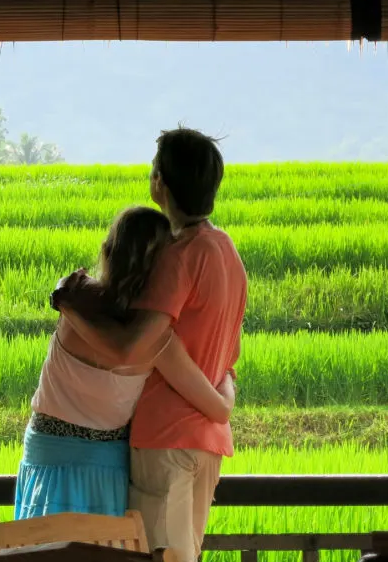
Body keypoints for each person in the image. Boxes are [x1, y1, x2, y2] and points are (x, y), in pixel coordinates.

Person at [54, 127, 247, 562]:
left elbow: (132, 346)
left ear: (159, 182)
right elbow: (228, 363)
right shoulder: (228, 253)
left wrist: (67, 303)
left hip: (165, 438)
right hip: (207, 443)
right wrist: (220, 407)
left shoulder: (177, 258)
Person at [15, 204, 236, 521]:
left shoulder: (76, 299)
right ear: (165, 271)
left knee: (43, 558)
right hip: (107, 469)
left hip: (45, 454)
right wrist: (226, 375)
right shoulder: (155, 339)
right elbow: (219, 408)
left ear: (108, 250)